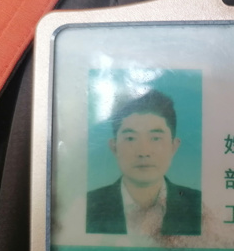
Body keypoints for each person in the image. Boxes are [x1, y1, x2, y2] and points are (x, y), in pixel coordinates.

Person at [86, 89, 201, 236]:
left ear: (174, 146)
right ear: (114, 147)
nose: (143, 152)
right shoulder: (87, 206)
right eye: (130, 138)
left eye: (155, 138)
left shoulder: (199, 206)